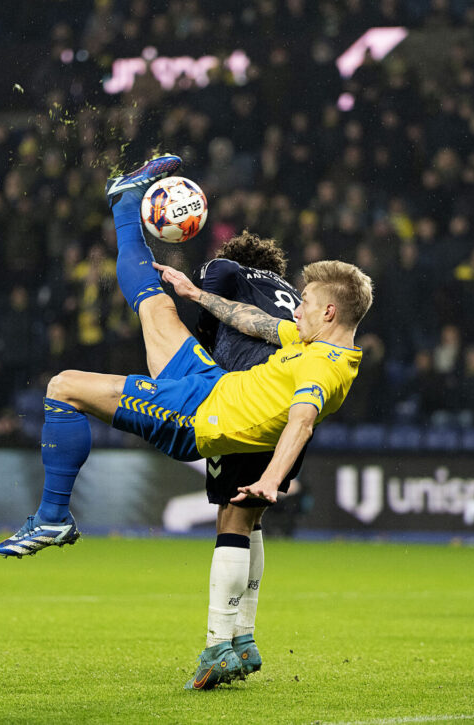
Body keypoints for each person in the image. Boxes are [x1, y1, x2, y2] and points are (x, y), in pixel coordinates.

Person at [0, 155, 372, 690]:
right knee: (155, 305)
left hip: (193, 415)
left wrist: (269, 481)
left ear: (330, 313)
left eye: (305, 304)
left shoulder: (324, 366)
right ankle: (127, 201)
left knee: (63, 387)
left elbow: (302, 422)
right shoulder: (310, 340)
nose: (297, 311)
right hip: (210, 383)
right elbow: (260, 322)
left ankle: (54, 516)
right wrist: (198, 296)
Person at [185, 232, 306, 689]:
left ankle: (218, 644)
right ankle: (244, 637)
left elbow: (206, 305)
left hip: (248, 399)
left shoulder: (228, 270)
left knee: (230, 518)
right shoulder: (290, 293)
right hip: (292, 403)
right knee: (252, 517)